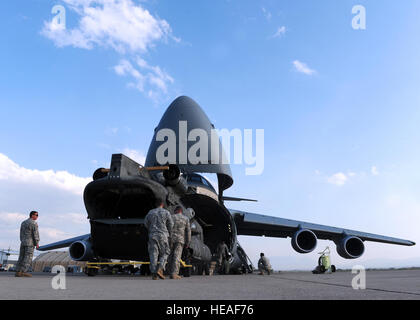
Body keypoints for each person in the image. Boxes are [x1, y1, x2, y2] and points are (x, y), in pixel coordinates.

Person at [144, 199, 173, 280]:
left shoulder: (150, 212)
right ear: (162, 204)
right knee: (165, 252)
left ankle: (154, 273)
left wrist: (151, 229)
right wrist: (169, 234)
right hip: (162, 235)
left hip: (152, 235)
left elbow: (145, 223)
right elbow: (171, 224)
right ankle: (160, 269)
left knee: (153, 254)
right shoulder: (166, 212)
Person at [167, 206, 191, 279]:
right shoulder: (186, 219)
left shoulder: (171, 217)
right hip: (180, 240)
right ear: (181, 211)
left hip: (170, 239)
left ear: (175, 211)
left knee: (170, 256)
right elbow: (188, 232)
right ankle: (174, 273)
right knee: (177, 256)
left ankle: (169, 272)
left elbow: (167, 228)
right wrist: (188, 242)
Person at [15, 211, 40, 277]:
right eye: (36, 215)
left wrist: (22, 240)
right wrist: (37, 243)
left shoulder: (23, 223)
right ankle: (23, 271)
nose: (37, 216)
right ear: (32, 215)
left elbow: (21, 233)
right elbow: (35, 234)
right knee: (28, 258)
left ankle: (17, 271)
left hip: (23, 242)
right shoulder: (34, 223)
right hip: (30, 243)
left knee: (21, 257)